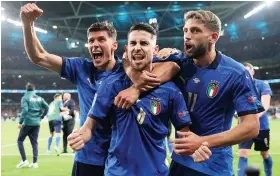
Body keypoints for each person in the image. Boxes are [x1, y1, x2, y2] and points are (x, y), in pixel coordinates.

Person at [20, 3, 178, 175]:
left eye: (101, 39)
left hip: (119, 161)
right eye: (91, 41)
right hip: (87, 156)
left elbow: (172, 66)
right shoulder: (81, 68)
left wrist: (137, 85)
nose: (95, 44)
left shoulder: (128, 70)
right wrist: (28, 24)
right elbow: (38, 56)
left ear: (114, 46)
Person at [115, 10, 264, 175]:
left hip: (213, 165)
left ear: (213, 37)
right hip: (179, 161)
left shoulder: (236, 73)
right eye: (185, 30)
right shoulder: (179, 62)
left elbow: (251, 127)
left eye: (195, 31)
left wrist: (202, 142)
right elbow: (130, 61)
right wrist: (135, 87)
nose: (187, 35)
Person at [68, 22, 212, 176]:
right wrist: (81, 135)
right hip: (116, 172)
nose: (137, 47)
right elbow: (89, 126)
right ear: (127, 49)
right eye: (133, 43)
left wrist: (197, 148)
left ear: (155, 50)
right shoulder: (110, 85)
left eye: (144, 43)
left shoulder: (171, 91)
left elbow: (185, 135)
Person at [238, 63, 273, 176]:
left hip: (261, 126)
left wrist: (251, 118)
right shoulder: (238, 87)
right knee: (243, 153)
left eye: (248, 70)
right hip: (244, 127)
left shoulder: (262, 84)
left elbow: (265, 105)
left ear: (253, 72)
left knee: (265, 154)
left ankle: (269, 174)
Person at [16, 83, 49, 168]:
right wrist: (42, 116)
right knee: (34, 143)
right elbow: (47, 107)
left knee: (20, 141)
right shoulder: (39, 98)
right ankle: (35, 163)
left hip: (27, 123)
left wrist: (20, 122)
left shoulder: (25, 98)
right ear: (34, 90)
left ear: (26, 90)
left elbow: (25, 110)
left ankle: (24, 160)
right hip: (36, 123)